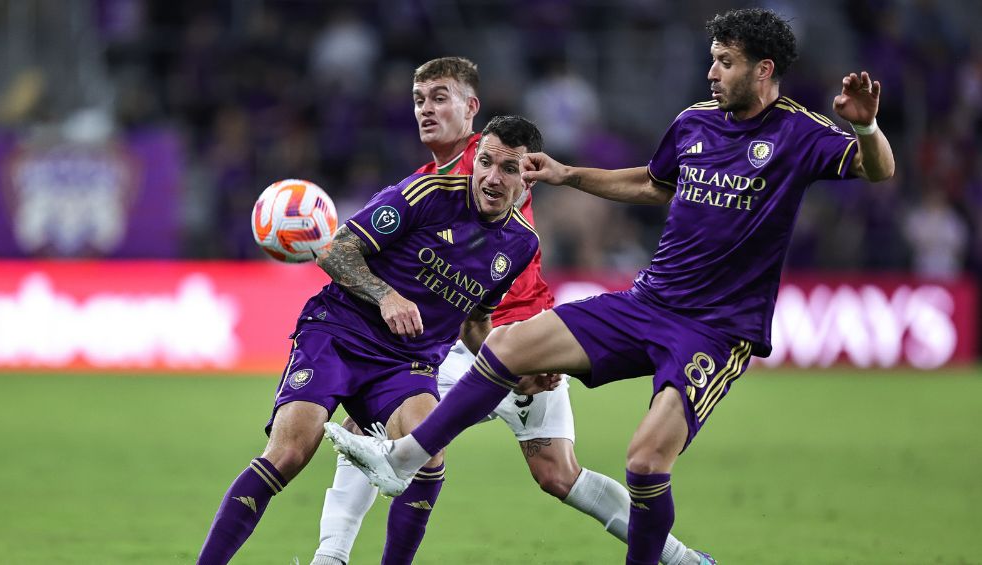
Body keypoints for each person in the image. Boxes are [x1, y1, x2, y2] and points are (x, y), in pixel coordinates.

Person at [325, 8, 896, 565]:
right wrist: (570, 175)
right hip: (650, 301)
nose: (712, 72)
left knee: (646, 464)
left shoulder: (798, 133)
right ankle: (403, 461)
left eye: (725, 62)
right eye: (713, 60)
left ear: (763, 69)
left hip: (716, 331)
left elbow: (878, 169)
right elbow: (652, 184)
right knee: (506, 346)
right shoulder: (695, 121)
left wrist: (866, 125)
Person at [312, 56, 704, 565]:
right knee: (388, 432)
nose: (426, 111)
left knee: (553, 472)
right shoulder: (436, 177)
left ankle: (679, 558)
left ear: (471, 108)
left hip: (513, 335)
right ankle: (331, 557)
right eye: (419, 100)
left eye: (440, 98)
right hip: (493, 337)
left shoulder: (491, 159)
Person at [195, 115, 545, 565]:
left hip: (409, 363)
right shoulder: (428, 194)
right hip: (340, 332)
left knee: (428, 457)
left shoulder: (520, 245)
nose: (492, 178)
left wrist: (515, 373)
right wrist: (386, 296)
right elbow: (336, 249)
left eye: (509, 169)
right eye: (486, 162)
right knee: (288, 452)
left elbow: (476, 323)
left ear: (530, 178)